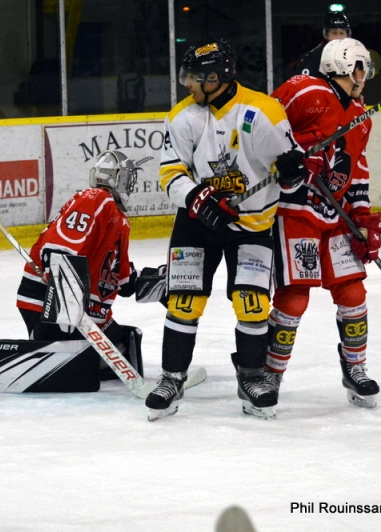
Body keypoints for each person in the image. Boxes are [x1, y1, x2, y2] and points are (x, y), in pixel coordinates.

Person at [144, 38, 308, 420]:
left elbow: (292, 177)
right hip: (196, 224)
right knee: (184, 301)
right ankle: (172, 378)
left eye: (194, 77)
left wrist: (293, 172)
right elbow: (170, 173)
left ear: (217, 78)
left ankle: (251, 378)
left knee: (252, 303)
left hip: (251, 224)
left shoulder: (263, 112)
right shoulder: (183, 116)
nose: (187, 84)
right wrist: (198, 198)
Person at [251, 37, 381, 417]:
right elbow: (261, 123)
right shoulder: (305, 90)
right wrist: (290, 156)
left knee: (353, 293)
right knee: (294, 297)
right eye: (362, 67)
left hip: (336, 215)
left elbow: (357, 166)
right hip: (295, 210)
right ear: (347, 65)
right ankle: (269, 375)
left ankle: (355, 369)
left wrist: (362, 216)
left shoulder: (361, 115)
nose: (365, 76)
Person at [16, 150, 150, 380]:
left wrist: (161, 283)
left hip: (83, 310)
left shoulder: (120, 220)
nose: (130, 184)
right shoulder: (96, 198)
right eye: (128, 178)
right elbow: (61, 247)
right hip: (48, 302)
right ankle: (43, 353)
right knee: (70, 369)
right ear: (117, 178)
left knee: (125, 346)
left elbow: (123, 279)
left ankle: (58, 353)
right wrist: (63, 293)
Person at [293, 10, 352, 78]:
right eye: (334, 33)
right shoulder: (314, 57)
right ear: (326, 35)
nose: (338, 37)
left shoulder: (352, 54)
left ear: (347, 35)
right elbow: (303, 82)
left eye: (342, 33)